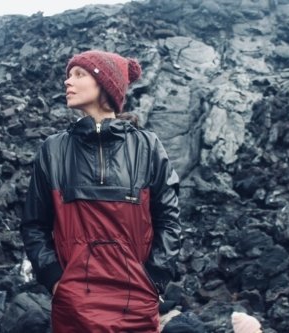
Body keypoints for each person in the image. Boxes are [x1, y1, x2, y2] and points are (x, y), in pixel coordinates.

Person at [20, 50, 181, 332]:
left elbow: (169, 220)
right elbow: (34, 224)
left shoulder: (147, 146)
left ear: (105, 84)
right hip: (74, 303)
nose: (67, 82)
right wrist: (55, 279)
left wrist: (154, 279)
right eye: (69, 75)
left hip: (136, 302)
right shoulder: (53, 150)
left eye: (79, 74)